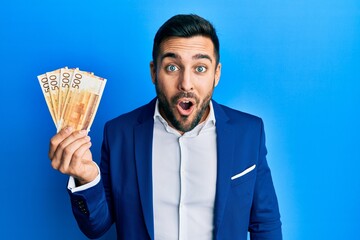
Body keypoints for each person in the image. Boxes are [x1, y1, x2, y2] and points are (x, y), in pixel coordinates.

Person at [48, 14, 282, 240]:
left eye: (200, 68)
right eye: (172, 67)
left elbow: (265, 222)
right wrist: (86, 178)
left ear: (216, 74)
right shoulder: (119, 134)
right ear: (154, 72)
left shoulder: (249, 132)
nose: (186, 84)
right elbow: (96, 227)